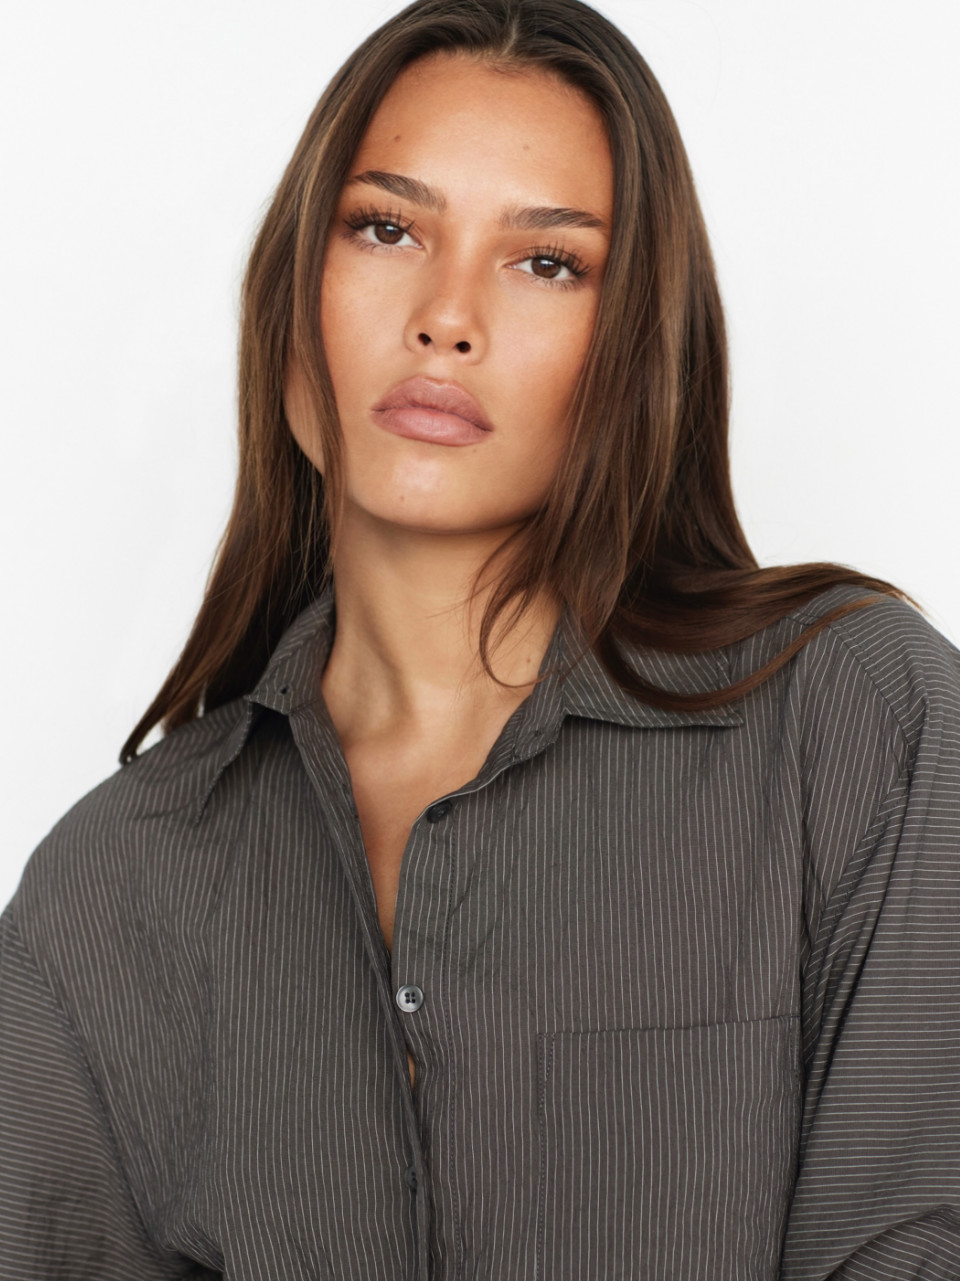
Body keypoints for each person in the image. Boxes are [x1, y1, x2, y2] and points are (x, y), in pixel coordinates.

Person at [1, 0, 958, 1277]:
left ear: (635, 341)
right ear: (292, 295)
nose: (445, 317)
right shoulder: (109, 895)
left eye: (547, 261)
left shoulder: (856, 722)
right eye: (385, 228)